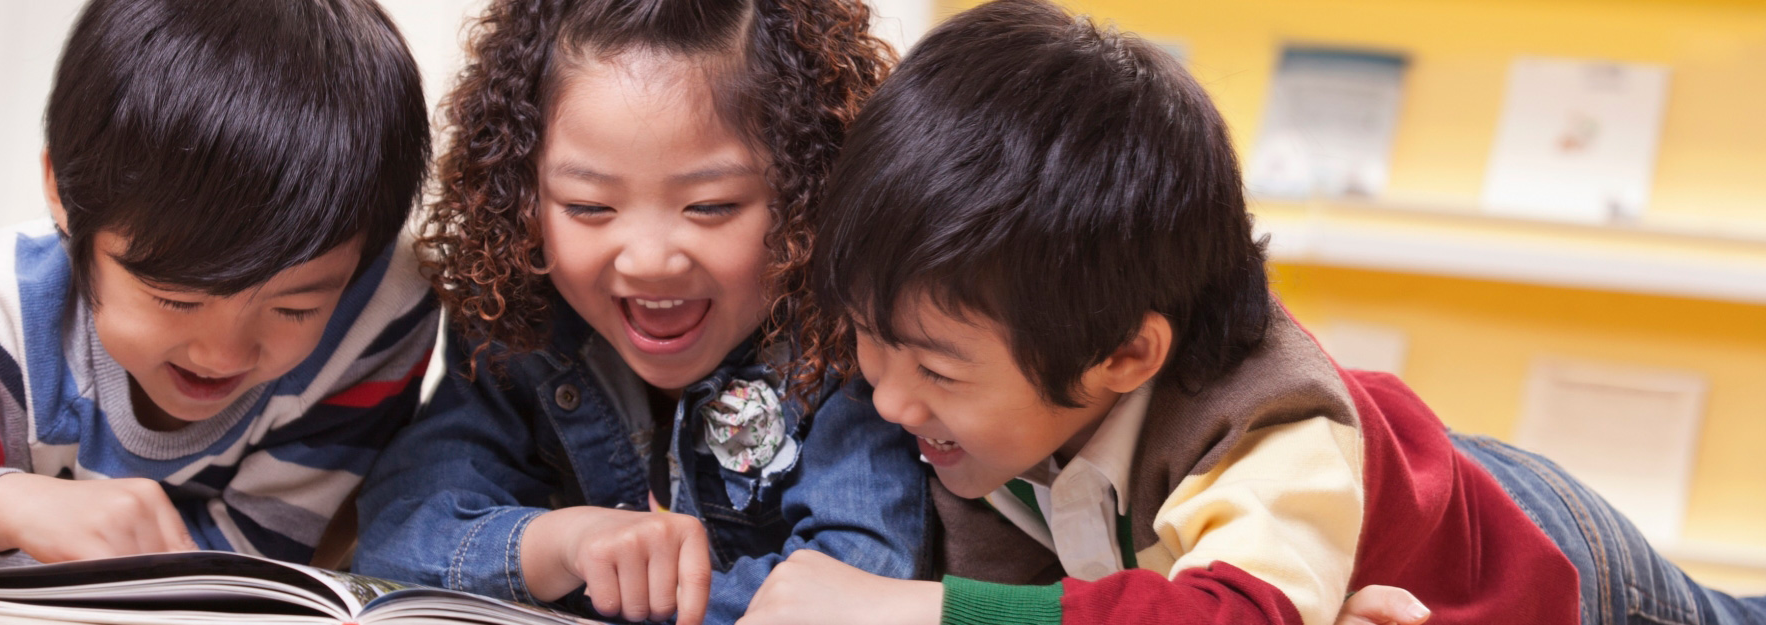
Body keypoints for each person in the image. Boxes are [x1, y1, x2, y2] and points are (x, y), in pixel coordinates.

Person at [737, 1, 1766, 624]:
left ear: (1124, 356)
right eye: (867, 336)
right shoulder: (993, 406)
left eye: (935, 366)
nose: (885, 390)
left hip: (1550, 559)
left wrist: (916, 611)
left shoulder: (1269, 436)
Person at [347, 0, 925, 623]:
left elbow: (863, 578)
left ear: (810, 192)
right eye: (589, 207)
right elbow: (397, 540)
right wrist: (564, 547)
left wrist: (625, 595)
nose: (650, 261)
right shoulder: (520, 323)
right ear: (521, 198)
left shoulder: (847, 341)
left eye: (711, 206)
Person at [0, 0, 438, 573]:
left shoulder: (376, 312)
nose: (220, 355)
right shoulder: (4, 308)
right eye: (176, 298)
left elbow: (261, 564)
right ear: (63, 195)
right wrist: (9, 506)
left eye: (294, 308)